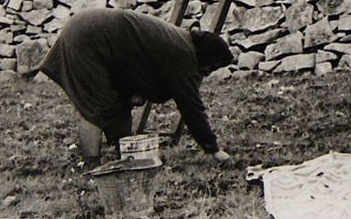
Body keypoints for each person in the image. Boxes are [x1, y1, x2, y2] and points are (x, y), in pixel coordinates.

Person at [37, 8, 234, 165]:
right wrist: (213, 149)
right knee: (97, 109)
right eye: (213, 66)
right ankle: (92, 167)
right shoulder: (183, 55)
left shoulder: (180, 42)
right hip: (87, 38)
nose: (210, 72)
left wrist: (137, 90)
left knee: (117, 106)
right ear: (206, 56)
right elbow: (191, 107)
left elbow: (138, 60)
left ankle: (124, 157)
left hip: (93, 33)